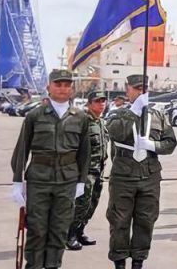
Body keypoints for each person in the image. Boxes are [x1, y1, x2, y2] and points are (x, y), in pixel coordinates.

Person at [11, 70, 91, 269]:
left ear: (72, 89)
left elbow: (84, 153)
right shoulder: (35, 115)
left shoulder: (80, 117)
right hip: (39, 180)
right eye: (58, 84)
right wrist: (17, 182)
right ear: (49, 88)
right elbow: (22, 149)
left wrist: (81, 181)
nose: (62, 88)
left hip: (67, 181)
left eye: (66, 85)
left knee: (59, 229)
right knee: (37, 229)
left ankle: (53, 266)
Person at [106, 74, 177, 269]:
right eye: (136, 88)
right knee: (119, 220)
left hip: (149, 175)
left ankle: (138, 261)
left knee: (146, 220)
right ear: (127, 89)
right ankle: (119, 262)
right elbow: (115, 133)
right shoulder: (117, 113)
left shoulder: (159, 115)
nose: (140, 92)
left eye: (143, 89)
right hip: (123, 176)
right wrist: (134, 111)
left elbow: (171, 143)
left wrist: (153, 145)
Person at [67, 89, 110, 251]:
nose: (101, 104)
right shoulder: (82, 121)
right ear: (89, 103)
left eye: (103, 101)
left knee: (92, 204)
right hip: (84, 173)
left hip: (99, 172)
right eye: (98, 101)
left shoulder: (101, 122)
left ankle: (79, 231)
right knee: (81, 205)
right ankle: (69, 235)